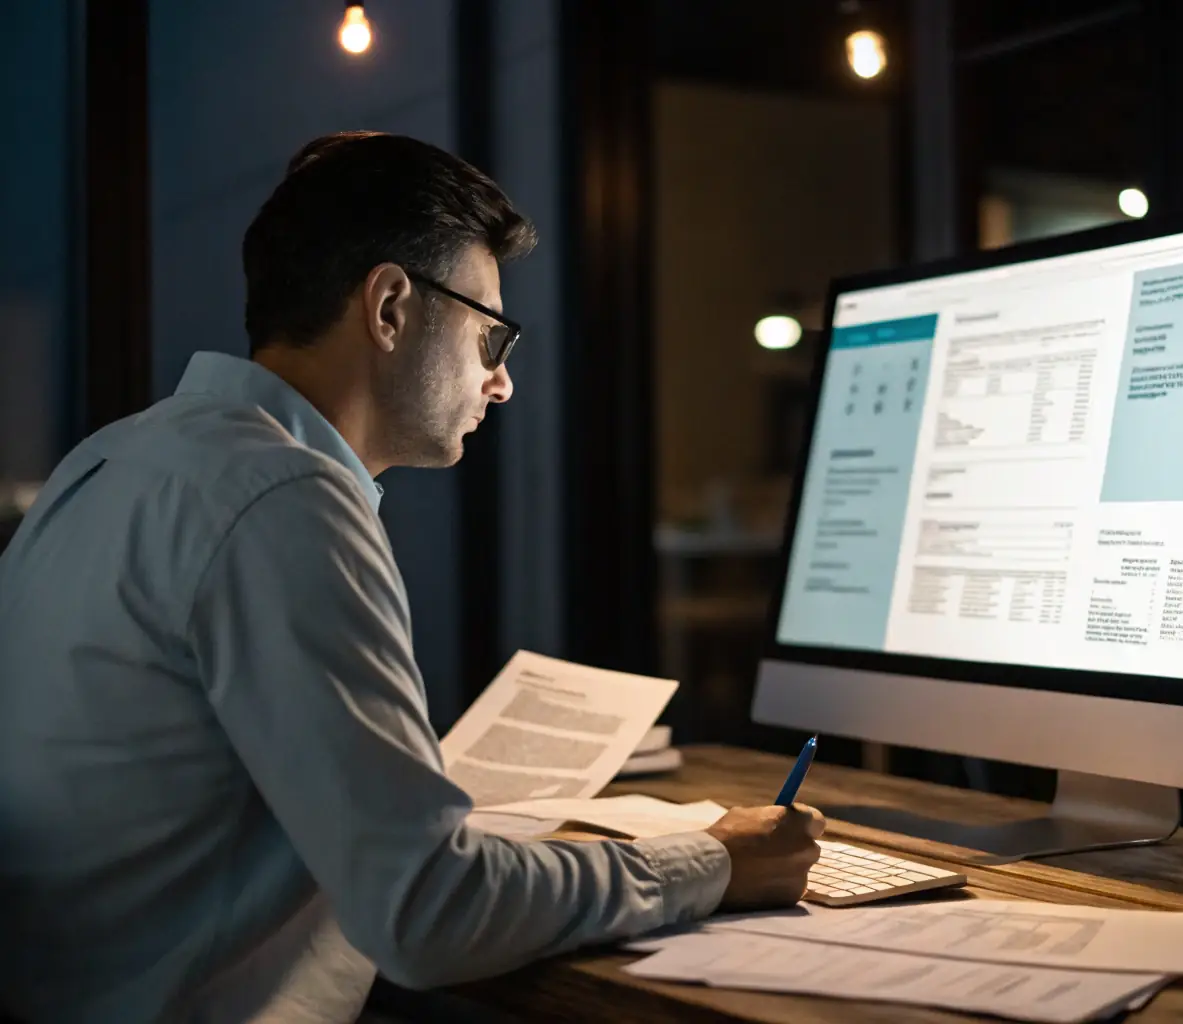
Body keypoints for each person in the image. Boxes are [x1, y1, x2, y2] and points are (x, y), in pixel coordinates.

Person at [0, 132, 824, 1024]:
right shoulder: (280, 498)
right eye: (490, 335)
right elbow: (430, 913)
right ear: (390, 307)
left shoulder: (114, 459)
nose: (501, 384)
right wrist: (715, 861)